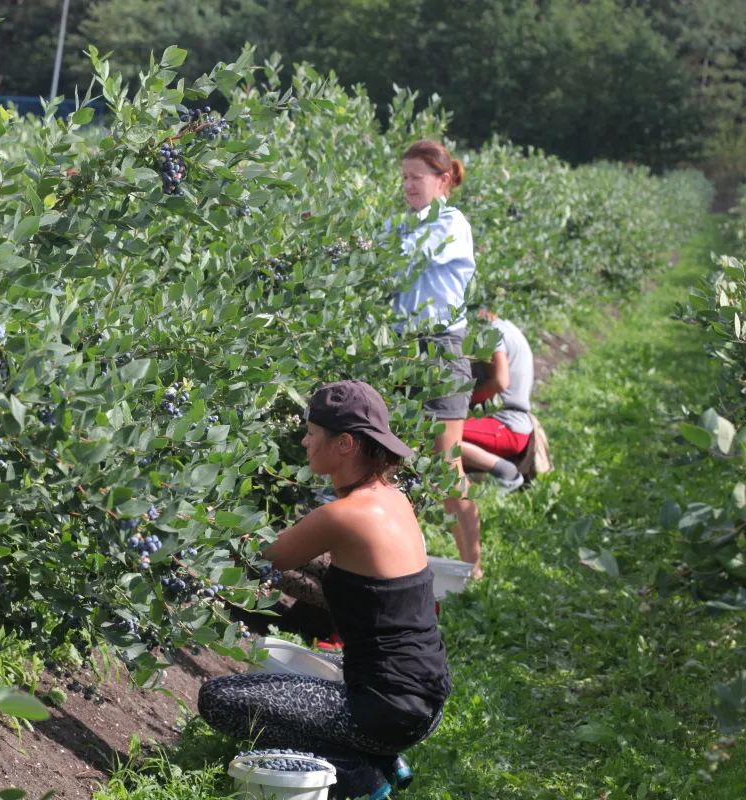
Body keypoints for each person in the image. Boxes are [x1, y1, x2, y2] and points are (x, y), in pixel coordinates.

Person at [199, 381, 451, 800]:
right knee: (287, 674)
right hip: (423, 694)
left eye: (312, 433)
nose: (304, 441)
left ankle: (359, 776)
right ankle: (382, 756)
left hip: (386, 710)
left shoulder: (344, 515)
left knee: (220, 699)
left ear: (345, 444)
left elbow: (263, 556)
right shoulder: (393, 499)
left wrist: (202, 519)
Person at [390, 139, 483, 578]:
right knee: (393, 459)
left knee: (446, 465)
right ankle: (402, 563)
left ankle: (473, 567)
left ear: (443, 180)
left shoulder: (450, 222)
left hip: (440, 348)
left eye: (417, 177)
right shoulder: (404, 223)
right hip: (400, 348)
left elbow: (402, 259)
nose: (408, 185)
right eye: (404, 177)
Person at [463, 309, 534, 492]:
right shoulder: (509, 328)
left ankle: (506, 472)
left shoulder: (491, 331)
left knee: (437, 433)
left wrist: (462, 400)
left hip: (506, 426)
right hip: (514, 424)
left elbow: (500, 382)